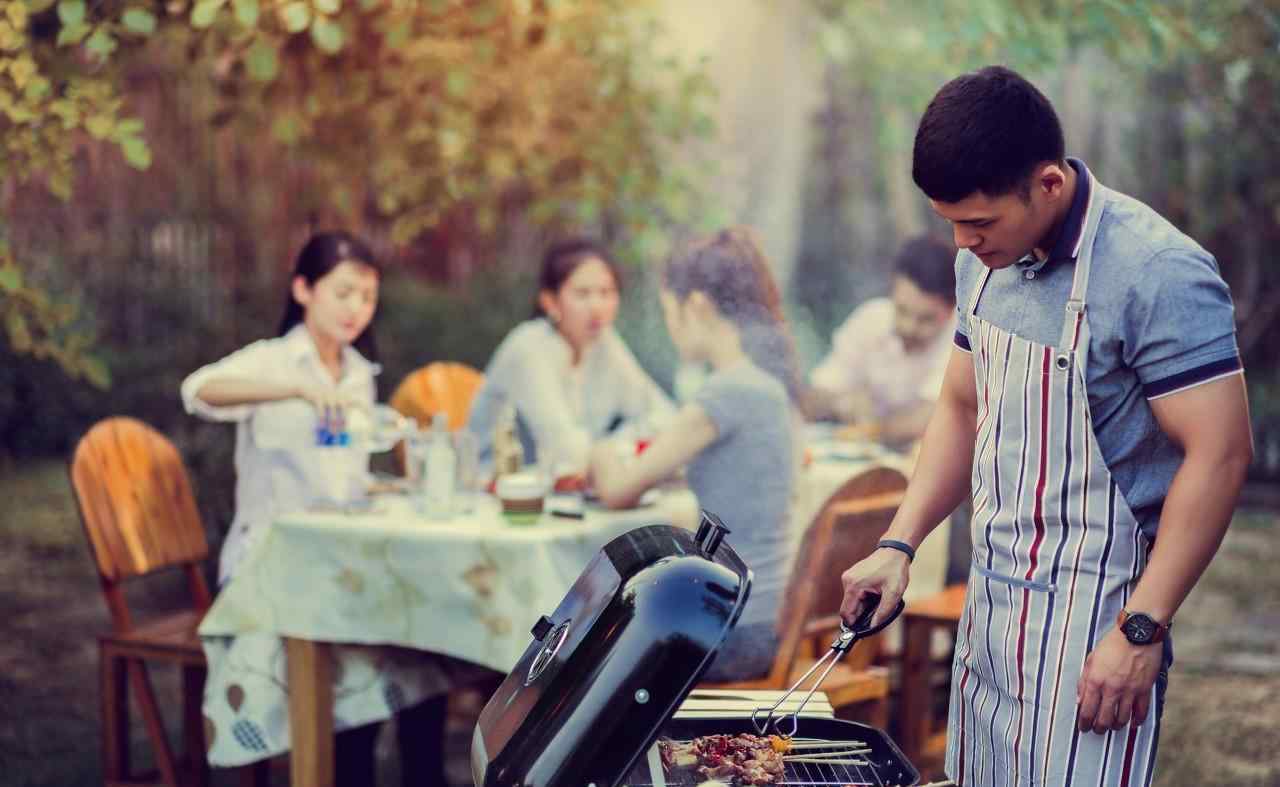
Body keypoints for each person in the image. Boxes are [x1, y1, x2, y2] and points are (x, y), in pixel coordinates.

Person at [839, 66, 1252, 787]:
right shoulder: (980, 262)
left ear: (1050, 184)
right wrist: (899, 543)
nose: (962, 244)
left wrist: (1142, 627)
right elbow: (963, 408)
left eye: (979, 223)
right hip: (991, 608)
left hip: (1096, 622)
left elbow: (1219, 454)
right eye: (950, 224)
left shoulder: (1156, 270)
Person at [181, 231, 451, 786]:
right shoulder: (273, 359)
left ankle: (421, 774)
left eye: (368, 297)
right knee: (362, 640)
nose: (357, 308)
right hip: (270, 561)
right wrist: (293, 389)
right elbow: (198, 391)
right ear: (303, 289)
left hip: (339, 557)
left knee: (428, 628)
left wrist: (378, 490)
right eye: (344, 292)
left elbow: (344, 474)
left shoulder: (358, 374)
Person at [589, 227, 801, 681]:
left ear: (698, 306)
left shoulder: (723, 393)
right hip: (768, 619)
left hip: (735, 631)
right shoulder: (766, 383)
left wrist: (599, 446)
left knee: (595, 657)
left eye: (670, 312)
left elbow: (617, 491)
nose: (669, 327)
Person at [467, 238, 674, 475]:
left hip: (567, 492)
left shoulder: (604, 343)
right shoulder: (528, 348)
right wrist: (622, 450)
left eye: (606, 292)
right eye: (582, 293)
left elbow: (663, 416)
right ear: (550, 302)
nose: (597, 306)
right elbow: (566, 451)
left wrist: (610, 448)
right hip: (494, 491)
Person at [808, 235, 958, 446]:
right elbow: (814, 397)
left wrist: (873, 427)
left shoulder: (962, 339)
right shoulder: (871, 318)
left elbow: (929, 420)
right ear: (892, 291)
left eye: (926, 319)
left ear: (952, 310)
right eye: (902, 310)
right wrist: (843, 403)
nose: (909, 326)